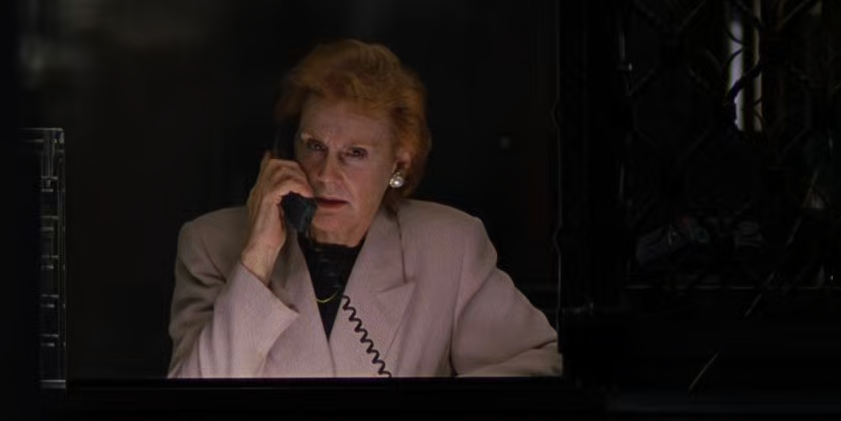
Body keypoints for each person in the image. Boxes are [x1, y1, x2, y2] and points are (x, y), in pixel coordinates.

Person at [168, 39, 559, 378]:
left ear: (398, 165)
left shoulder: (449, 247)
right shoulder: (210, 245)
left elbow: (540, 363)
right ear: (286, 149)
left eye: (355, 153)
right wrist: (257, 259)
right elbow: (190, 410)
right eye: (314, 146)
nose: (325, 175)